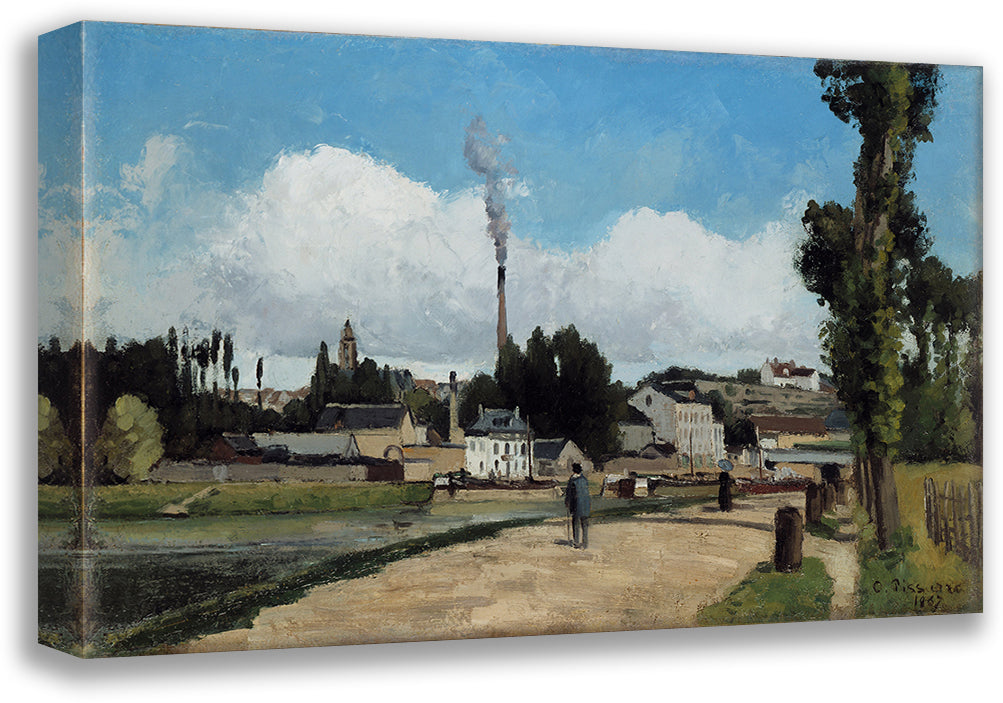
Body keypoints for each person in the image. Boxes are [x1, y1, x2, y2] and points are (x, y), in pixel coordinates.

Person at [565, 463, 591, 549]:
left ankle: (576, 542)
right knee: (584, 524)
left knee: (576, 523)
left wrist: (567, 502)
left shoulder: (573, 480)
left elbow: (569, 494)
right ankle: (585, 543)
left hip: (576, 505)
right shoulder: (584, 479)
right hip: (586, 505)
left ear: (574, 470)